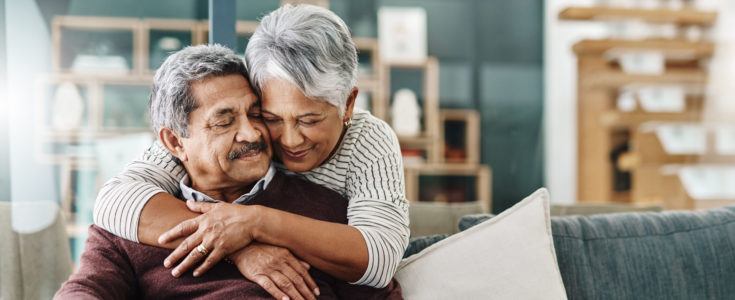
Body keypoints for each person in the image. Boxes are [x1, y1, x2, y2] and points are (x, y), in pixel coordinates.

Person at [93, 3, 409, 291]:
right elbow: (114, 201)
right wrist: (239, 245)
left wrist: (256, 222)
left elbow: (380, 261)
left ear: (348, 105)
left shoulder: (368, 141)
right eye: (270, 117)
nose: (289, 139)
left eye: (309, 119)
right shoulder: (226, 136)